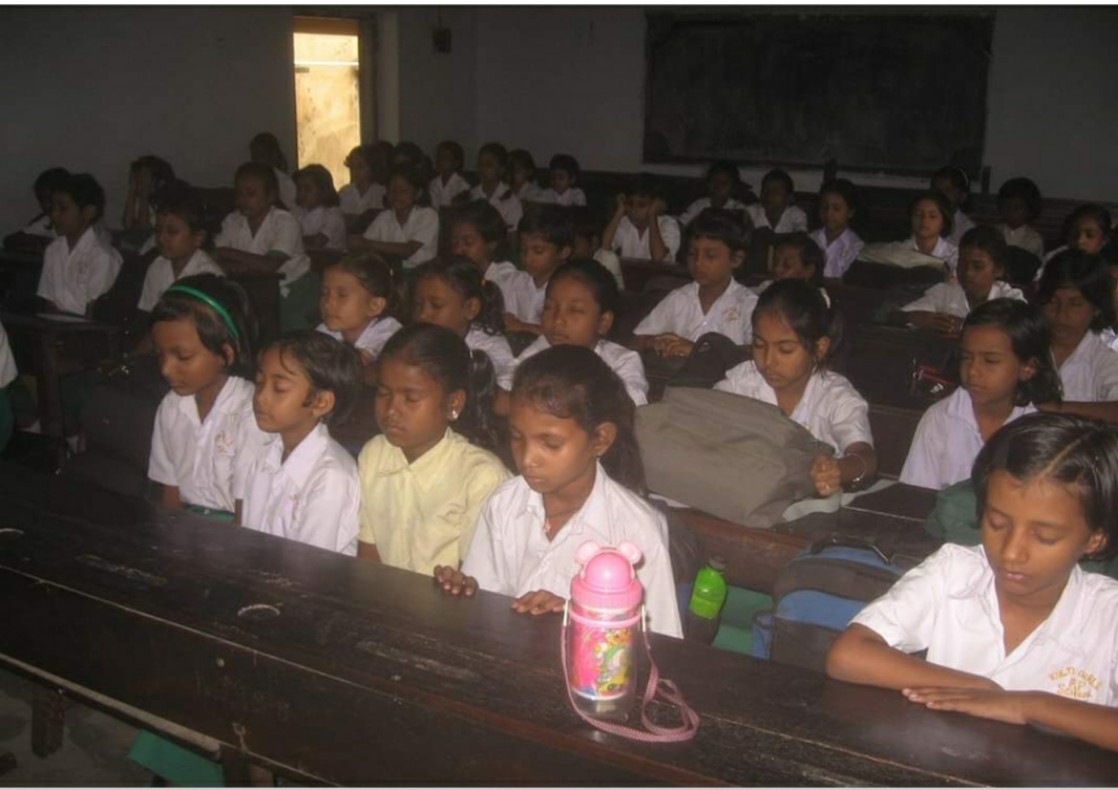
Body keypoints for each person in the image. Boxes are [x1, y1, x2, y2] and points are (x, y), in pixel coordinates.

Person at [828, 412, 1118, 755]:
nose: (1011, 553)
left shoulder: (1108, 615)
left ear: (1095, 539)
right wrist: (981, 688)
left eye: (1044, 537)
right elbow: (848, 655)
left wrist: (1028, 705)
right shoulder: (956, 570)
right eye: (997, 524)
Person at [437, 345, 683, 638]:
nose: (528, 458)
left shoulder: (636, 529)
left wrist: (578, 620)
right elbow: (486, 605)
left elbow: (657, 643)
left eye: (550, 444)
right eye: (516, 437)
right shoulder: (505, 503)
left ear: (600, 439)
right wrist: (465, 591)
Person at [356, 324, 510, 574]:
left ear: (453, 403)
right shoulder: (374, 454)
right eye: (383, 393)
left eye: (411, 398)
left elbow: (475, 577)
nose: (391, 410)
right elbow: (368, 556)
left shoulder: (480, 476)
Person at [715, 279, 875, 497]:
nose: (768, 361)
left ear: (820, 348)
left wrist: (838, 469)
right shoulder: (740, 383)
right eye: (759, 345)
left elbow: (864, 456)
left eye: (785, 350)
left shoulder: (835, 396)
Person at [900, 299, 1061, 490]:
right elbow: (916, 495)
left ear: (1027, 368)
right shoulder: (940, 418)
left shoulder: (1038, 428)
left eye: (990, 360)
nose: (973, 370)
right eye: (967, 357)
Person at [147, 274, 266, 520]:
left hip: (238, 529)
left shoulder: (252, 412)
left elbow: (247, 515)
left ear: (226, 354)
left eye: (183, 357)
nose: (166, 369)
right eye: (160, 355)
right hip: (188, 525)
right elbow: (171, 493)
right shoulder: (171, 406)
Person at [238, 331, 363, 555]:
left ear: (321, 402)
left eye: (279, 388)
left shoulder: (330, 477)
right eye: (259, 382)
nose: (261, 397)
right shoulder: (263, 457)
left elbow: (309, 566)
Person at [501, 259, 648, 407]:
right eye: (549, 307)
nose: (558, 320)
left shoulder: (622, 361)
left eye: (575, 310)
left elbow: (630, 404)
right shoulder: (541, 348)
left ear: (603, 322)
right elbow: (506, 386)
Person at [633, 208, 757, 357]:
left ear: (736, 259)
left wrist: (698, 351)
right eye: (692, 254)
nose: (698, 263)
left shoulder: (748, 304)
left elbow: (756, 351)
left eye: (710, 256)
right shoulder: (679, 299)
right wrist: (654, 342)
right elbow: (638, 338)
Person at [213, 162, 315, 331]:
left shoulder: (284, 221)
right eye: (239, 193)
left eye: (251, 194)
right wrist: (234, 263)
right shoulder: (232, 221)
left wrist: (228, 253)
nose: (243, 200)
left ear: (270, 196)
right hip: (252, 289)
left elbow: (269, 266)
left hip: (294, 289)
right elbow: (214, 257)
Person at [1035, 250, 1118, 424]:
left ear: (1097, 308)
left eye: (1075, 304)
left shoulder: (1108, 354)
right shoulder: (1024, 342)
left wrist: (1050, 408)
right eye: (1053, 301)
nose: (1061, 314)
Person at [897, 226, 1026, 334]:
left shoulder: (1010, 299)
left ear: (998, 269)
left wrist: (964, 327)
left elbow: (1022, 332)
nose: (968, 273)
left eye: (978, 266)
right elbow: (894, 317)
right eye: (962, 264)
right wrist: (915, 318)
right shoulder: (946, 292)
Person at [412, 256, 515, 384]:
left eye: (436, 305)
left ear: (471, 308)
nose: (422, 315)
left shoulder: (491, 352)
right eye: (418, 304)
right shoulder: (415, 340)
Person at [36, 173, 122, 317]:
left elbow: (93, 314)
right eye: (53, 207)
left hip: (85, 327)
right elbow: (49, 303)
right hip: (55, 325)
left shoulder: (101, 256)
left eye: (63, 208)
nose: (54, 214)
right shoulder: (53, 250)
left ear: (88, 212)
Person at [137, 191, 224, 313]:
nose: (161, 238)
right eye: (158, 230)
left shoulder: (209, 275)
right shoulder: (157, 266)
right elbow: (147, 313)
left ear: (198, 238)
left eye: (172, 232)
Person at [316, 253, 403, 376]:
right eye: (325, 293)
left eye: (342, 295)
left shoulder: (388, 333)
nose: (328, 303)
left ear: (374, 305)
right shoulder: (324, 330)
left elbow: (358, 366)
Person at [503, 204, 574, 333]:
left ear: (563, 252)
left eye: (538, 251)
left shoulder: (571, 291)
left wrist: (524, 327)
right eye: (523, 250)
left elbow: (570, 334)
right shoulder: (514, 281)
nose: (527, 257)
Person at [448, 199, 523, 313]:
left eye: (468, 242)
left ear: (491, 243)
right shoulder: (450, 277)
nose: (458, 250)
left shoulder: (507, 282)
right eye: (454, 242)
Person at [358, 165, 439, 268]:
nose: (397, 195)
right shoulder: (384, 216)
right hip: (391, 271)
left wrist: (368, 244)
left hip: (421, 272)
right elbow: (365, 245)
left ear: (418, 193)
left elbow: (408, 250)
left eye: (403, 190)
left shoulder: (428, 215)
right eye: (392, 190)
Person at [602, 174, 681, 262]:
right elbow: (604, 249)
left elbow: (658, 258)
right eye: (630, 204)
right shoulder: (625, 222)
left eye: (641, 205)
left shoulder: (668, 224)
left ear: (655, 205)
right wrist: (619, 211)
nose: (633, 210)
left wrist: (652, 215)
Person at [810, 178, 864, 280]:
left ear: (850, 212)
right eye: (824, 207)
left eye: (836, 208)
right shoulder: (811, 239)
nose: (828, 213)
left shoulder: (856, 247)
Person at [468, 142, 523, 236]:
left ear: (502, 170)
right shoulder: (471, 195)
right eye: (480, 164)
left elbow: (513, 235)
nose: (482, 169)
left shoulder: (511, 200)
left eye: (489, 165)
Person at [292, 164, 347, 251]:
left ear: (323, 190)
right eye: (299, 189)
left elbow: (319, 241)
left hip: (330, 257)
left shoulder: (333, 214)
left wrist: (293, 238)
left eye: (307, 189)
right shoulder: (298, 211)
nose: (302, 194)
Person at [677, 160, 748, 228]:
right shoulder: (699, 205)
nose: (717, 187)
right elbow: (681, 224)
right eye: (714, 181)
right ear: (708, 183)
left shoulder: (737, 208)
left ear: (733, 188)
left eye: (723, 183)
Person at [904, 190, 959, 274]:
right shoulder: (900, 248)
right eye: (918, 214)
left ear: (944, 221)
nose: (924, 220)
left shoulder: (953, 254)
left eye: (932, 216)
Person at [570, 206, 624, 289]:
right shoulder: (570, 261)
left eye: (575, 244)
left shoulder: (607, 260)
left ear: (594, 243)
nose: (570, 249)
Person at [756, 232, 826, 293]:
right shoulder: (767, 286)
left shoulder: (817, 298)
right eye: (775, 263)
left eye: (787, 265)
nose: (777, 269)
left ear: (808, 271)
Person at [121, 155, 175, 234]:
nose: (138, 181)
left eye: (143, 177)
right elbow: (127, 225)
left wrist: (145, 191)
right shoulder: (138, 199)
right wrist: (132, 189)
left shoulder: (168, 203)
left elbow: (145, 229)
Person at [339, 143, 387, 232]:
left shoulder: (381, 192)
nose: (355, 172)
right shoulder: (344, 191)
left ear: (372, 168)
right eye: (352, 167)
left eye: (360, 167)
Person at [996, 177, 1045, 261]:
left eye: (1017, 208)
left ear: (1030, 211)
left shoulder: (1034, 239)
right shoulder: (994, 232)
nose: (1010, 212)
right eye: (1007, 207)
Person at [745, 169, 807, 234]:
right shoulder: (753, 211)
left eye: (776, 192)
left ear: (789, 198)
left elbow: (801, 235)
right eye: (765, 190)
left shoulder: (795, 214)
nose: (769, 196)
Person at [248, 131, 297, 209]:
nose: (257, 160)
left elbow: (290, 209)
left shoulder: (285, 182)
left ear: (273, 155)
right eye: (254, 156)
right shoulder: (249, 179)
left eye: (261, 155)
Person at [930, 165, 975, 247]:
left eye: (948, 190)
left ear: (962, 196)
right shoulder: (923, 221)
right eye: (937, 191)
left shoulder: (968, 230)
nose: (941, 195)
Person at [428, 140, 470, 208]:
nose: (439, 161)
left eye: (444, 158)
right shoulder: (433, 183)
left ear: (456, 163)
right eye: (438, 157)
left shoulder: (462, 186)